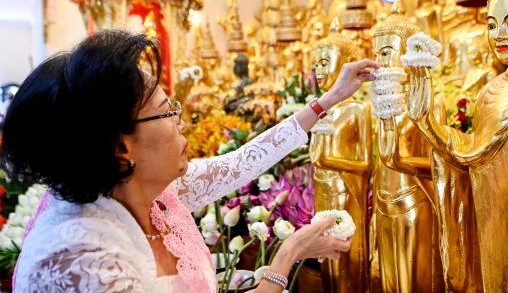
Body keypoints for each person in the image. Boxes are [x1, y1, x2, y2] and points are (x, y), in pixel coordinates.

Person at [0, 30, 380, 292]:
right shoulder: (83, 261)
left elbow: (243, 161)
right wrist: (289, 254)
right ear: (120, 147)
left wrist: (327, 99)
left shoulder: (150, 193)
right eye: (168, 111)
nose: (184, 121)